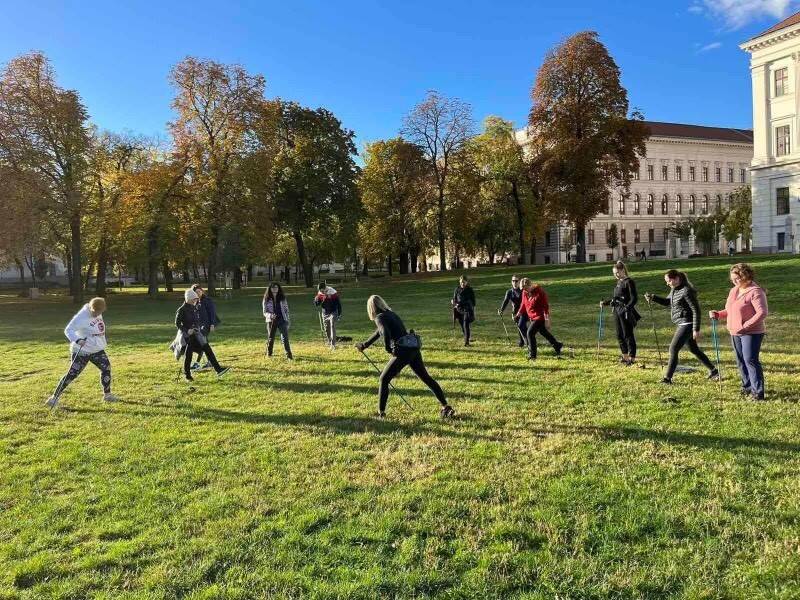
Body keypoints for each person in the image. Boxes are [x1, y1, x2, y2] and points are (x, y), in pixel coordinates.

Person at [355, 295, 455, 419]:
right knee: (426, 378)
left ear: (371, 308)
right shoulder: (390, 314)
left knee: (383, 379)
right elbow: (378, 332)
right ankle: (446, 406)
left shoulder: (380, 318)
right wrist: (364, 345)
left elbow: (385, 332)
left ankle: (381, 413)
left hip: (402, 352)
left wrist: (388, 349)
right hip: (412, 348)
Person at [645, 269, 718, 385]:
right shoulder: (674, 289)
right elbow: (667, 302)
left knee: (673, 349)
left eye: (668, 281)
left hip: (687, 324)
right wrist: (653, 297)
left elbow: (696, 310)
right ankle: (714, 371)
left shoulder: (687, 291)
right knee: (694, 349)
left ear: (677, 279)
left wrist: (696, 329)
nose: (667, 283)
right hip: (682, 323)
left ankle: (667, 379)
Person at [709, 263, 768, 400]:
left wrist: (745, 326)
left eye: (737, 278)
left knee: (750, 360)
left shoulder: (756, 291)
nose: (734, 281)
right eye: (732, 279)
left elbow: (762, 313)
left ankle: (758, 392)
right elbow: (730, 310)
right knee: (741, 360)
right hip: (735, 331)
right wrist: (718, 314)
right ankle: (747, 386)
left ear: (746, 276)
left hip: (752, 332)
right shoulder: (734, 291)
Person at [46, 297, 118, 408]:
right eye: (96, 312)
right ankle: (53, 398)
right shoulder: (81, 317)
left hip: (97, 350)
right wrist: (78, 340)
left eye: (100, 312)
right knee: (72, 374)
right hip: (82, 352)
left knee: (106, 368)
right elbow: (68, 330)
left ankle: (107, 395)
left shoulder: (98, 310)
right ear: (91, 308)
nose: (98, 314)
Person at [175, 288, 230, 381]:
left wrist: (199, 328)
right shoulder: (181, 310)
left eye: (196, 299)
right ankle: (187, 375)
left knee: (208, 350)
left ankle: (218, 370)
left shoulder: (195, 308)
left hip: (198, 334)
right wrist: (187, 330)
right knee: (188, 355)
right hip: (188, 337)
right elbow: (177, 323)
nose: (196, 301)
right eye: (194, 299)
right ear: (189, 299)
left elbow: (197, 320)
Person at [600, 261, 641, 366]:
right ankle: (625, 356)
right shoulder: (619, 282)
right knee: (619, 335)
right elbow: (616, 298)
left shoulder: (629, 281)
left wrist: (627, 308)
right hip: (617, 311)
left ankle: (632, 358)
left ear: (622, 270)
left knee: (628, 334)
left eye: (617, 272)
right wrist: (606, 303)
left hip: (625, 312)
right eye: (614, 273)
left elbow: (634, 298)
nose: (616, 275)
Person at [515, 277, 564, 360]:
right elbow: (523, 304)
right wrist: (518, 313)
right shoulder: (524, 292)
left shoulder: (540, 292)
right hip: (532, 317)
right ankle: (557, 345)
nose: (524, 290)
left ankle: (532, 355)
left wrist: (547, 320)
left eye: (525, 288)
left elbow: (545, 307)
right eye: (522, 289)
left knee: (530, 333)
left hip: (539, 317)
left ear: (530, 285)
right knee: (544, 332)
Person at [190, 283, 220, 371]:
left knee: (202, 342)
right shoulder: (195, 302)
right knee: (204, 343)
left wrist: (212, 324)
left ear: (202, 291)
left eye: (199, 291)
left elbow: (212, 313)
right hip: (199, 326)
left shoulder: (207, 300)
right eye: (196, 292)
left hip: (206, 325)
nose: (198, 293)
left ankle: (197, 363)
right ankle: (209, 362)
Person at [263, 281, 293, 359]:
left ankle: (289, 355)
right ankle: (269, 353)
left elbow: (286, 310)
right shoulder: (266, 299)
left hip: (282, 320)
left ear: (278, 288)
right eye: (273, 287)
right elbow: (264, 312)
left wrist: (287, 320)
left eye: (276, 287)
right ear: (270, 289)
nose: (275, 289)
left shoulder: (282, 298)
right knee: (271, 338)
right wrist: (270, 316)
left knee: (285, 338)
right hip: (271, 321)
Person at [498, 275, 526, 347]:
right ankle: (523, 341)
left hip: (524, 311)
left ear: (519, 282)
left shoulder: (523, 290)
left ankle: (526, 341)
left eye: (516, 281)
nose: (514, 282)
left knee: (521, 325)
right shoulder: (509, 292)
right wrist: (501, 310)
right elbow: (505, 301)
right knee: (520, 327)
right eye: (513, 281)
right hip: (515, 311)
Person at [314, 282, 342, 349]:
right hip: (325, 313)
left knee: (332, 325)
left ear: (325, 288)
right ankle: (329, 341)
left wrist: (339, 313)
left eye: (322, 290)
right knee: (327, 328)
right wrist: (317, 299)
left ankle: (333, 344)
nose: (321, 292)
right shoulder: (320, 294)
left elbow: (338, 304)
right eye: (320, 290)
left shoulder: (333, 292)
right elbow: (316, 304)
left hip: (333, 311)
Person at [452, 275, 476, 346]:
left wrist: (470, 307)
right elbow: (454, 299)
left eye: (464, 282)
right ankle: (467, 337)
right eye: (461, 282)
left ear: (466, 282)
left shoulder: (470, 290)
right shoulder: (457, 289)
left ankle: (466, 342)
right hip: (459, 310)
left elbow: (473, 302)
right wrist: (453, 302)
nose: (462, 283)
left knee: (466, 325)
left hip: (467, 310)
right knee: (462, 325)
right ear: (459, 282)